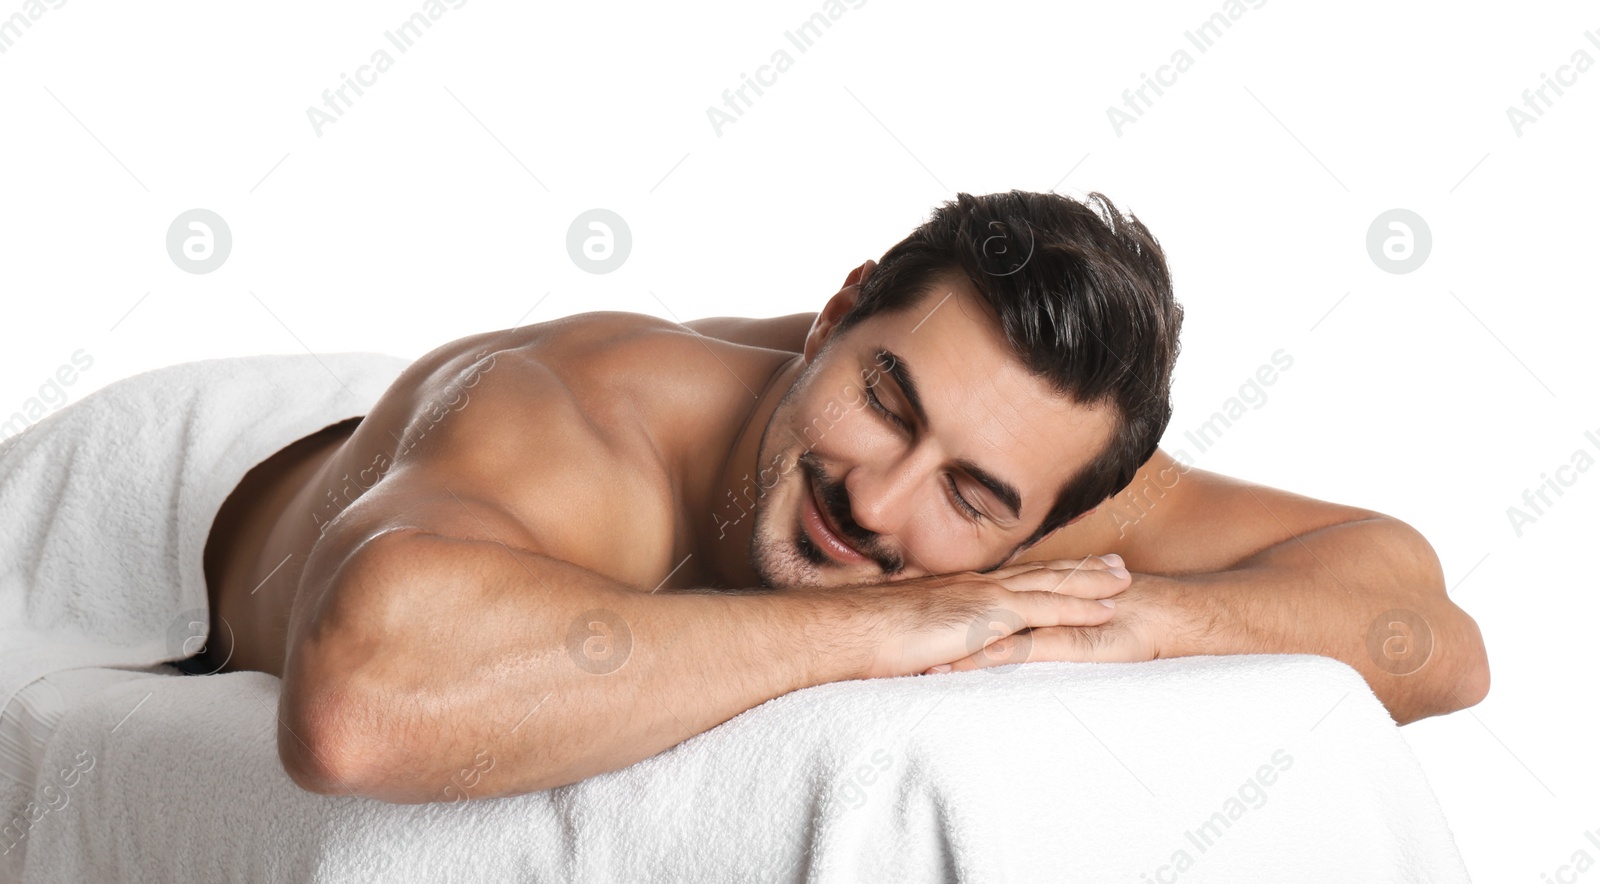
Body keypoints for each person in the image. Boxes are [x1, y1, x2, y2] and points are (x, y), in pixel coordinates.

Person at [196, 190, 1487, 804]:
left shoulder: (1022, 457)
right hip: (205, 485)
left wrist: (1129, 620)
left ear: (1046, 514)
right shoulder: (573, 423)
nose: (879, 501)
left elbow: (1429, 634)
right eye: (884, 400)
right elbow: (361, 715)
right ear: (836, 309)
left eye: (975, 499)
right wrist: (893, 626)